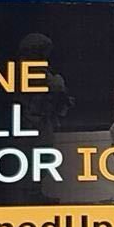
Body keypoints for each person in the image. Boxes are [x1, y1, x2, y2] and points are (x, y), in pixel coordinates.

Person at [17, 33, 73, 204]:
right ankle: (31, 193)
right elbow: (54, 86)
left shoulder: (37, 67)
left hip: (39, 119)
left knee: (42, 156)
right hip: (32, 120)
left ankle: (34, 192)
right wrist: (58, 83)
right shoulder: (28, 69)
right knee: (37, 156)